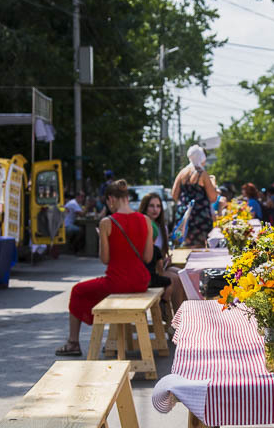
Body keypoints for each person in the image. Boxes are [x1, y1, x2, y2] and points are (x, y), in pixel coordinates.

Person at [57, 180, 154, 356]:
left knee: (78, 290)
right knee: (88, 290)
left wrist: (103, 238)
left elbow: (105, 259)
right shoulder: (145, 220)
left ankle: (73, 342)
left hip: (117, 282)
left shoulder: (107, 222)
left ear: (110, 199)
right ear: (126, 197)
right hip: (141, 281)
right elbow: (148, 257)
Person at [139, 191, 186, 312]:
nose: (155, 209)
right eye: (151, 206)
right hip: (148, 270)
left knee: (183, 274)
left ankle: (183, 316)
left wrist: (166, 259)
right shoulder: (142, 224)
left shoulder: (162, 227)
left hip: (161, 266)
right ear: (144, 207)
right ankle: (176, 320)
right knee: (176, 279)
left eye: (158, 206)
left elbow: (161, 253)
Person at [171, 145, 218, 248]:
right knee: (199, 247)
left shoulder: (182, 173)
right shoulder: (202, 173)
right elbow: (213, 197)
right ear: (201, 158)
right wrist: (213, 184)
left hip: (184, 214)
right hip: (199, 216)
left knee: (185, 245)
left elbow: (174, 195)